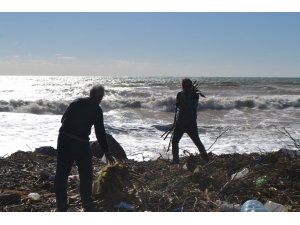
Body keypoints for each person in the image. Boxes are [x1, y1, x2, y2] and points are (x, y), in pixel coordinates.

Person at [54, 85, 115, 212]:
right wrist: (107, 151)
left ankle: (61, 204)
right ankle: (87, 202)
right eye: (101, 97)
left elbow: (62, 119)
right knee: (86, 174)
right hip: (80, 143)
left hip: (64, 139)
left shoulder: (76, 102)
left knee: (61, 173)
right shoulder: (97, 109)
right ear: (99, 97)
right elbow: (99, 132)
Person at [171, 78, 209, 164]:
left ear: (190, 85)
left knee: (197, 141)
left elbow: (189, 105)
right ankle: (176, 162)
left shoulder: (195, 95)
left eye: (187, 85)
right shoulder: (179, 94)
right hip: (180, 123)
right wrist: (175, 122)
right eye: (183, 85)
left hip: (190, 123)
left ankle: (206, 158)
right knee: (175, 141)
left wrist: (187, 96)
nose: (185, 87)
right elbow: (178, 106)